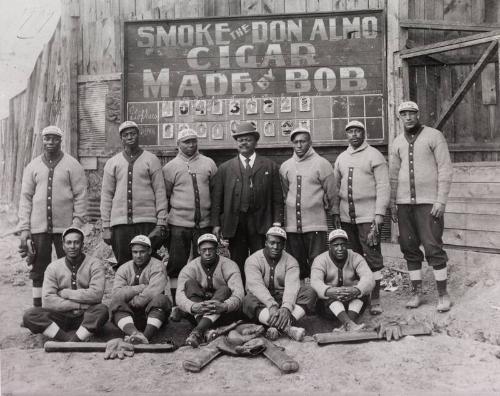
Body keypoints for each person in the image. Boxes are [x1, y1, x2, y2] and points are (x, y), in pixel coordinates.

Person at [390, 101, 453, 312]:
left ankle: (443, 295)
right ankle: (416, 293)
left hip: (429, 204)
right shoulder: (397, 142)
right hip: (404, 204)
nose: (408, 117)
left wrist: (440, 200)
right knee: (409, 248)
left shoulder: (434, 136)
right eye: (404, 114)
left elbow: (445, 169)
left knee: (433, 246)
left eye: (411, 113)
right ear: (400, 117)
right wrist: (392, 202)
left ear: (418, 114)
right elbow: (393, 175)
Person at [17, 125, 87, 307]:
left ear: (60, 141)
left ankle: (71, 304)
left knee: (70, 266)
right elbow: (25, 198)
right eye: (47, 138)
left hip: (66, 229)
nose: (50, 142)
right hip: (39, 227)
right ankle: (39, 307)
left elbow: (81, 195)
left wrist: (77, 223)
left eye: (54, 138)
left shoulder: (72, 165)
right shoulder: (32, 166)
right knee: (39, 267)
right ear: (42, 140)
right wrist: (25, 228)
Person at [211, 121, 283, 276]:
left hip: (261, 222)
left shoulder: (269, 166)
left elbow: (277, 197)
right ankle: (240, 293)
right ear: (236, 143)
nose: (244, 143)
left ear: (255, 141)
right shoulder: (225, 168)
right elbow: (217, 199)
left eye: (248, 139)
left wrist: (277, 221)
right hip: (236, 224)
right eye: (240, 140)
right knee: (237, 260)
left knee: (261, 259)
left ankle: (259, 292)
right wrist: (216, 224)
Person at [332, 120, 390, 315]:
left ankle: (375, 299)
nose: (354, 135)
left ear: (364, 133)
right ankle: (359, 296)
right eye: (350, 131)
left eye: (358, 131)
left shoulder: (374, 155)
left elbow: (383, 186)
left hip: (368, 217)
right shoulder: (341, 157)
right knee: (353, 257)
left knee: (372, 257)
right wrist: (337, 212)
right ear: (346, 135)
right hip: (347, 218)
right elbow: (335, 187)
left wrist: (379, 214)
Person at [100, 121, 168, 268]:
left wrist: (161, 223)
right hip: (120, 224)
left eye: (133, 133)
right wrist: (106, 226)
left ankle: (148, 291)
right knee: (124, 263)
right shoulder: (113, 163)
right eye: (126, 135)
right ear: (121, 138)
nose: (130, 137)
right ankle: (126, 291)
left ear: (138, 135)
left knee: (148, 262)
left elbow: (160, 192)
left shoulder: (151, 160)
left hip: (146, 222)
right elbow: (106, 195)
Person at [22, 227, 108, 341]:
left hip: (85, 316)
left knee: (102, 310)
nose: (72, 246)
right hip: (60, 316)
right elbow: (48, 301)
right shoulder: (53, 267)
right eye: (69, 242)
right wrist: (80, 305)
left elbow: (96, 294)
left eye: (76, 242)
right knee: (30, 315)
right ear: (63, 245)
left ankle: (75, 340)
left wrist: (65, 293)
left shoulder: (95, 264)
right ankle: (68, 340)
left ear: (82, 245)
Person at [279, 127, 336, 280]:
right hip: (292, 226)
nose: (299, 145)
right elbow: (285, 192)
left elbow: (331, 192)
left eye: (303, 141)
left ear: (310, 142)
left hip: (315, 224)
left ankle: (318, 298)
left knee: (317, 263)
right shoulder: (286, 166)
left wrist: (333, 212)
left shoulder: (322, 163)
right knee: (295, 263)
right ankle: (301, 297)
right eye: (296, 142)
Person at [242, 227, 317, 341]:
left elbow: (292, 287)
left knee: (310, 291)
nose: (275, 247)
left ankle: (277, 325)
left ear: (284, 245)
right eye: (272, 243)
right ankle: (288, 329)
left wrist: (286, 308)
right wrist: (271, 305)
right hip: (263, 302)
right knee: (248, 300)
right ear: (266, 242)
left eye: (279, 244)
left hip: (283, 298)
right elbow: (256, 286)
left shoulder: (291, 261)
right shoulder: (253, 260)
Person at [162, 128, 217, 283]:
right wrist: (165, 222)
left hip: (204, 224)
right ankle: (175, 302)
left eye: (194, 141)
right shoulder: (170, 167)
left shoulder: (209, 163)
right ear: (178, 144)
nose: (191, 145)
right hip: (179, 225)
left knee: (205, 263)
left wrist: (214, 222)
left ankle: (200, 298)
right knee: (176, 264)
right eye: (186, 142)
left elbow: (215, 193)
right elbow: (165, 197)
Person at [176, 233, 244, 348]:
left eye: (211, 249)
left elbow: (239, 293)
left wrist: (225, 306)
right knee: (190, 284)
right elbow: (179, 296)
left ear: (217, 249)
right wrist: (192, 306)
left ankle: (197, 332)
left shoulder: (229, 265)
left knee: (224, 289)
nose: (207, 253)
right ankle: (206, 331)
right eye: (204, 250)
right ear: (198, 250)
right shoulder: (190, 268)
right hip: (197, 313)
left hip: (222, 313)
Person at [110, 235, 172, 344]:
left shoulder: (157, 266)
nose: (138, 255)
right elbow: (117, 295)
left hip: (153, 315)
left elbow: (153, 292)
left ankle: (146, 337)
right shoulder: (123, 268)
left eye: (142, 252)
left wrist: (131, 299)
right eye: (135, 252)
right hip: (129, 317)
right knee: (116, 303)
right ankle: (135, 334)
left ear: (150, 251)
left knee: (161, 299)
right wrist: (140, 287)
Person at [311, 229, 375, 331]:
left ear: (347, 245)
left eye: (343, 244)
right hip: (330, 308)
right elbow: (315, 281)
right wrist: (329, 291)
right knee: (327, 295)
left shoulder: (355, 257)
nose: (340, 248)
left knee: (363, 292)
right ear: (330, 246)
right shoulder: (320, 259)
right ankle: (349, 324)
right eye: (336, 245)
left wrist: (357, 290)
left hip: (352, 305)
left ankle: (347, 325)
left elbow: (369, 278)